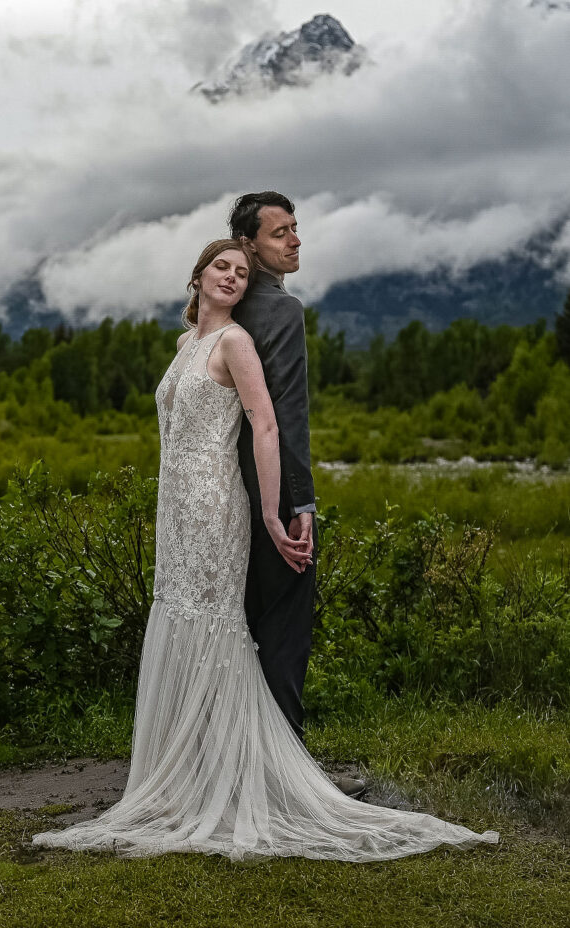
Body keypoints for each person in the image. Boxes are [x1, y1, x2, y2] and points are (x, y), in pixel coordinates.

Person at [32, 238, 498, 860]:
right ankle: (184, 776)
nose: (231, 276)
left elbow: (266, 425)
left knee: (213, 629)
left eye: (242, 273)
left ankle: (227, 779)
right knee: (179, 619)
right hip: (175, 512)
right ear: (196, 277)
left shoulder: (235, 343)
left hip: (215, 509)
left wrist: (274, 516)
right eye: (221, 266)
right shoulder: (185, 345)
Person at [228, 191, 363, 798]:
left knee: (243, 627)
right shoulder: (281, 313)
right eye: (280, 233)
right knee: (284, 632)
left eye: (296, 228)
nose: (295, 240)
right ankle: (289, 780)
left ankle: (237, 763)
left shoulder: (220, 314)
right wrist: (300, 503)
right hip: (274, 490)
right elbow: (285, 414)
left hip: (222, 493)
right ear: (251, 247)